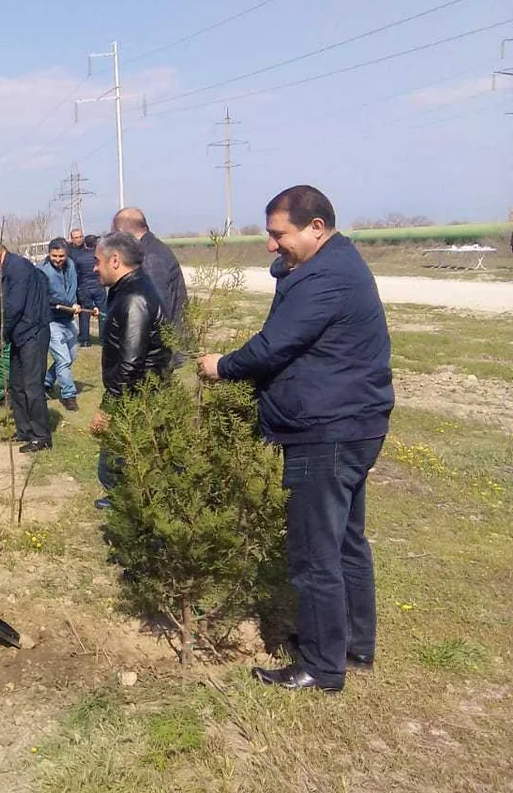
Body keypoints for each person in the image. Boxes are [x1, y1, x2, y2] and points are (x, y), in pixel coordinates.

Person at [197, 185, 394, 693]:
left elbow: (272, 345)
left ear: (316, 228)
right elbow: (286, 283)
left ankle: (322, 667)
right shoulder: (333, 263)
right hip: (352, 424)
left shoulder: (325, 278)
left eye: (278, 235)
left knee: (314, 554)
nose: (270, 246)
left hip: (324, 430)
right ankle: (353, 644)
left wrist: (222, 367)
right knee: (346, 540)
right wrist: (287, 263)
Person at [87, 233, 172, 510]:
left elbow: (130, 363)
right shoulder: (126, 290)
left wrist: (108, 407)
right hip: (135, 394)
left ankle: (131, 514)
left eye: (97, 261)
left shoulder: (134, 297)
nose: (94, 268)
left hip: (136, 398)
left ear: (115, 260)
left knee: (116, 467)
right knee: (117, 464)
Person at [0, 238, 51, 451]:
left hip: (33, 332)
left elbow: (14, 306)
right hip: (17, 334)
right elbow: (0, 306)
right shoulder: (0, 273)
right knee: (16, 384)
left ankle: (41, 436)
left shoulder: (19, 268)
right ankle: (24, 430)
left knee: (31, 385)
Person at [112, 207, 188, 335]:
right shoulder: (152, 249)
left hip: (168, 345)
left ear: (121, 233)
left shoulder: (149, 258)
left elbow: (156, 309)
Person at [38, 238, 80, 412]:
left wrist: (80, 304)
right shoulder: (41, 271)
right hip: (52, 320)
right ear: (49, 254)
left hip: (69, 319)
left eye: (61, 255)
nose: (57, 259)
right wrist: (67, 304)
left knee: (71, 356)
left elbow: (77, 287)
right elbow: (44, 297)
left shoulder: (71, 265)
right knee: (63, 360)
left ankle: (46, 382)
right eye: (54, 255)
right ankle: (68, 395)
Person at [66, 230, 101, 347]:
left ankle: (86, 339)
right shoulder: (69, 251)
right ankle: (86, 337)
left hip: (85, 284)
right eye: (75, 237)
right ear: (71, 238)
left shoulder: (83, 254)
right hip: (81, 285)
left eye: (80, 237)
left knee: (95, 311)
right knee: (85, 312)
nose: (78, 239)